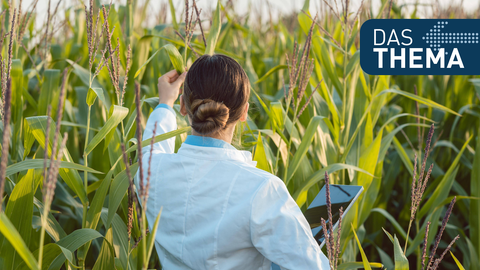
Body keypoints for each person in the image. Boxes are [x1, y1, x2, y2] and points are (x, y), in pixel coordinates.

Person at [135, 54, 330, 270]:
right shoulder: (262, 190)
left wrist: (164, 104)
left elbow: (151, 148)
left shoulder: (150, 174)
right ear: (245, 112)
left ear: (183, 107)